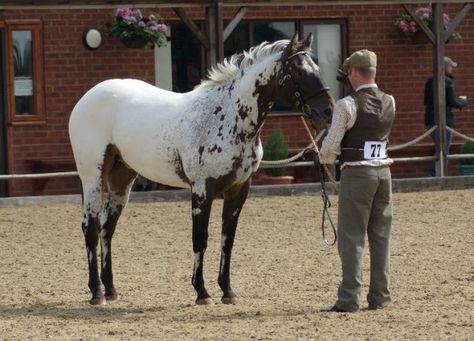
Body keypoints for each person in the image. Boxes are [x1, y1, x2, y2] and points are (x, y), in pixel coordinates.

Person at [319, 49, 396, 313]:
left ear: (353, 73)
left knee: (351, 238)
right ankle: (380, 296)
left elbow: (330, 147)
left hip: (357, 175)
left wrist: (322, 154)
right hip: (384, 174)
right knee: (380, 237)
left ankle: (349, 298)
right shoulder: (390, 101)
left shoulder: (346, 105)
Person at [424, 56, 467, 176]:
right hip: (444, 121)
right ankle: (434, 175)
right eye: (450, 67)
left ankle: (436, 174)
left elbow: (425, 101)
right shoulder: (448, 82)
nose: (452, 69)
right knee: (443, 150)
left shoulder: (429, 81)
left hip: (429, 120)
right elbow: (452, 101)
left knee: (440, 149)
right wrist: (463, 102)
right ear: (445, 67)